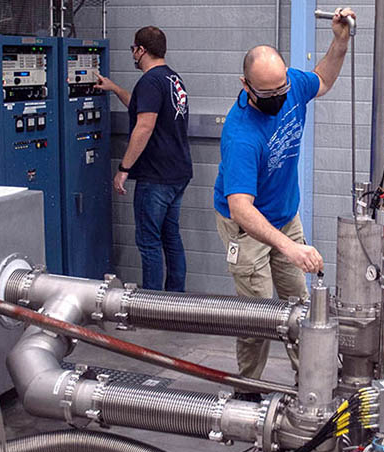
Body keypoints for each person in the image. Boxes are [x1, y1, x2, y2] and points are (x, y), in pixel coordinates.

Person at [214, 8, 356, 390]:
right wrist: (289, 248)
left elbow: (323, 79)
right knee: (257, 316)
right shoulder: (241, 134)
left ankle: (311, 383)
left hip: (284, 215)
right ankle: (247, 390)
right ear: (246, 85)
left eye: (281, 91)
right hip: (246, 226)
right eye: (268, 94)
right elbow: (241, 208)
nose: (279, 98)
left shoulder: (289, 83)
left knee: (302, 306)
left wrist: (340, 41)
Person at [94, 26, 192, 292]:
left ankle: (150, 305)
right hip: (177, 173)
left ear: (141, 50)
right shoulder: (172, 79)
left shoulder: (150, 81)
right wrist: (114, 88)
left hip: (156, 176)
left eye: (133, 49)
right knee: (170, 238)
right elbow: (141, 107)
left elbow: (144, 125)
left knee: (149, 242)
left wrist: (124, 168)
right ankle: (174, 300)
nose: (133, 54)